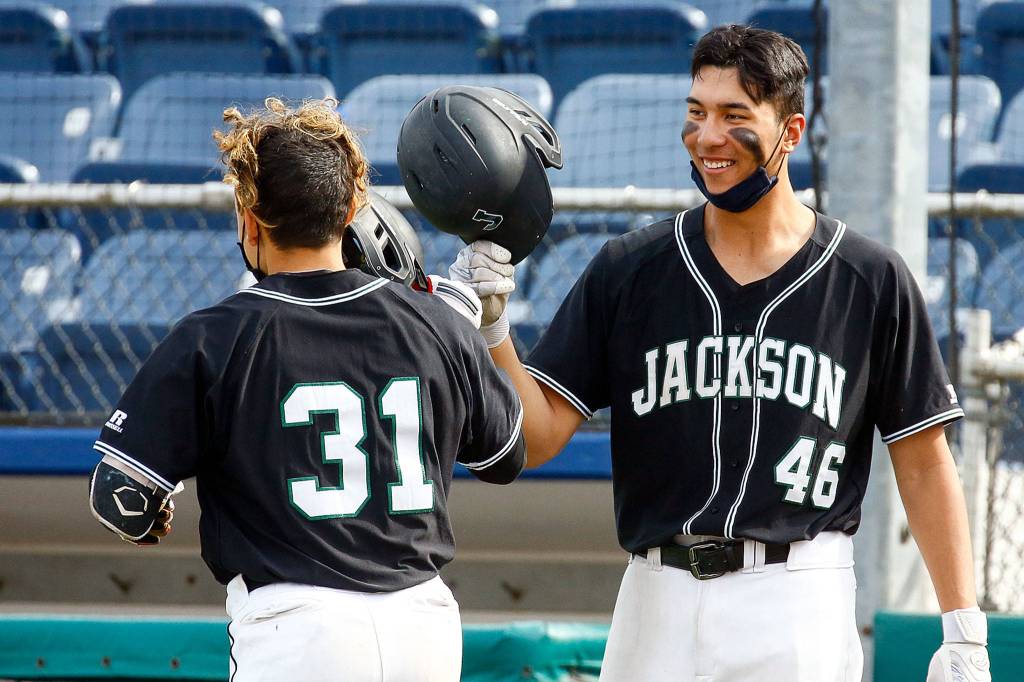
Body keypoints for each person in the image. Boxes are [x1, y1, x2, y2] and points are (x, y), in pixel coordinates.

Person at [447, 26, 991, 682]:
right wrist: (495, 330)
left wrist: (964, 629)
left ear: (790, 132)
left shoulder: (868, 277)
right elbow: (533, 438)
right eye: (696, 113)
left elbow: (926, 463)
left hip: (798, 593)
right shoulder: (630, 268)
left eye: (735, 116)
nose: (707, 136)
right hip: (657, 595)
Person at [88, 97, 525, 682]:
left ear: (249, 214)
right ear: (351, 208)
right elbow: (504, 456)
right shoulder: (436, 322)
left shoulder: (212, 336)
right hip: (425, 626)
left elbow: (122, 498)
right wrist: (466, 332)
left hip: (295, 628)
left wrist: (152, 516)